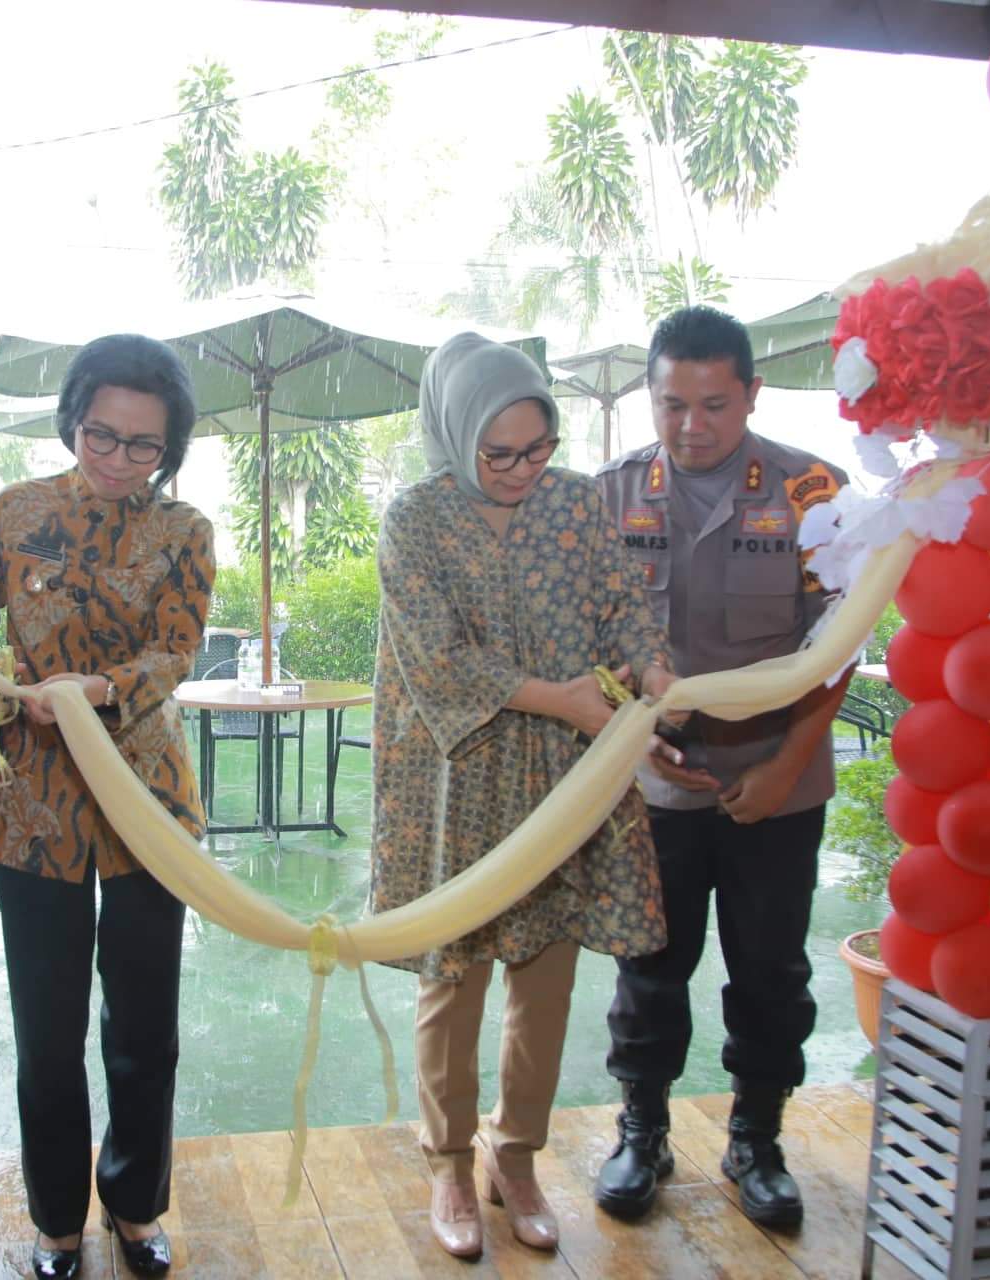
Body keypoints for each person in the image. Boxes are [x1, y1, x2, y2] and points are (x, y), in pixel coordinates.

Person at [370, 332, 673, 1260]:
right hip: (455, 775)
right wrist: (563, 700)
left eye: (537, 449)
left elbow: (623, 605)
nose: (520, 470)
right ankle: (450, 1163)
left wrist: (653, 666)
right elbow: (435, 658)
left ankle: (517, 1156)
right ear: (456, 434)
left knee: (545, 971)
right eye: (497, 454)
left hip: (560, 775)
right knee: (453, 973)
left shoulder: (577, 504)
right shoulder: (415, 519)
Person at [0, 334, 213, 1280]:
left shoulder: (185, 531)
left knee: (144, 1031)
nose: (120, 459)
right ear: (71, 423)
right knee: (47, 1034)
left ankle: (135, 1205)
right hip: (33, 807)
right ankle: (56, 1221)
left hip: (146, 798)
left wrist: (99, 691)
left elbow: (176, 650)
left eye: (144, 445)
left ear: (169, 448)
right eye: (102, 435)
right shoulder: (14, 513)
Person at [592, 306, 849, 1229]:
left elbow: (841, 644)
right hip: (655, 783)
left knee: (770, 970)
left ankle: (757, 1140)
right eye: (672, 405)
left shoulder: (815, 492)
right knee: (649, 966)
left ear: (751, 395)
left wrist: (786, 765)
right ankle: (642, 1132)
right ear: (649, 397)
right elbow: (586, 637)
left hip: (778, 782)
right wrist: (630, 730)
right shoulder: (609, 496)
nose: (692, 426)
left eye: (714, 405)